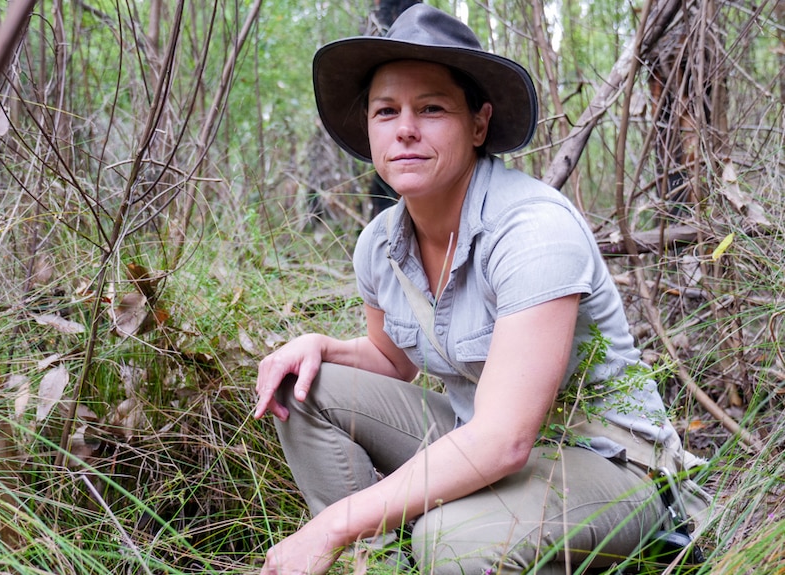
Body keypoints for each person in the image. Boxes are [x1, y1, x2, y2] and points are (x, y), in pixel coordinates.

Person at [255, 4, 706, 574]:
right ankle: (377, 564)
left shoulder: (531, 229)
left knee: (449, 539)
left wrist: (331, 526)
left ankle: (447, 545)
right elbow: (392, 361)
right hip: (485, 444)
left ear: (478, 124)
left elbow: (502, 442)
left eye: (432, 108)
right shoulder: (379, 244)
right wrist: (323, 346)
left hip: (608, 464)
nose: (405, 129)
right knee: (306, 387)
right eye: (386, 111)